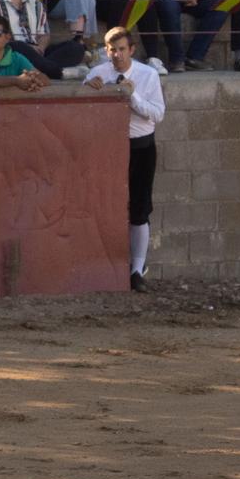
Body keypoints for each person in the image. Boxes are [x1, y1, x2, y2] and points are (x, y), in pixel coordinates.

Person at [85, 26, 165, 291]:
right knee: (104, 204)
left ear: (132, 50)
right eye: (112, 50)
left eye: (121, 49)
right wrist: (90, 89)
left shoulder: (148, 75)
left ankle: (136, 270)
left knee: (139, 208)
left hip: (141, 146)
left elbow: (157, 114)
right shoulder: (97, 74)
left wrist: (133, 96)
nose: (117, 55)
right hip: (107, 146)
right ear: (105, 51)